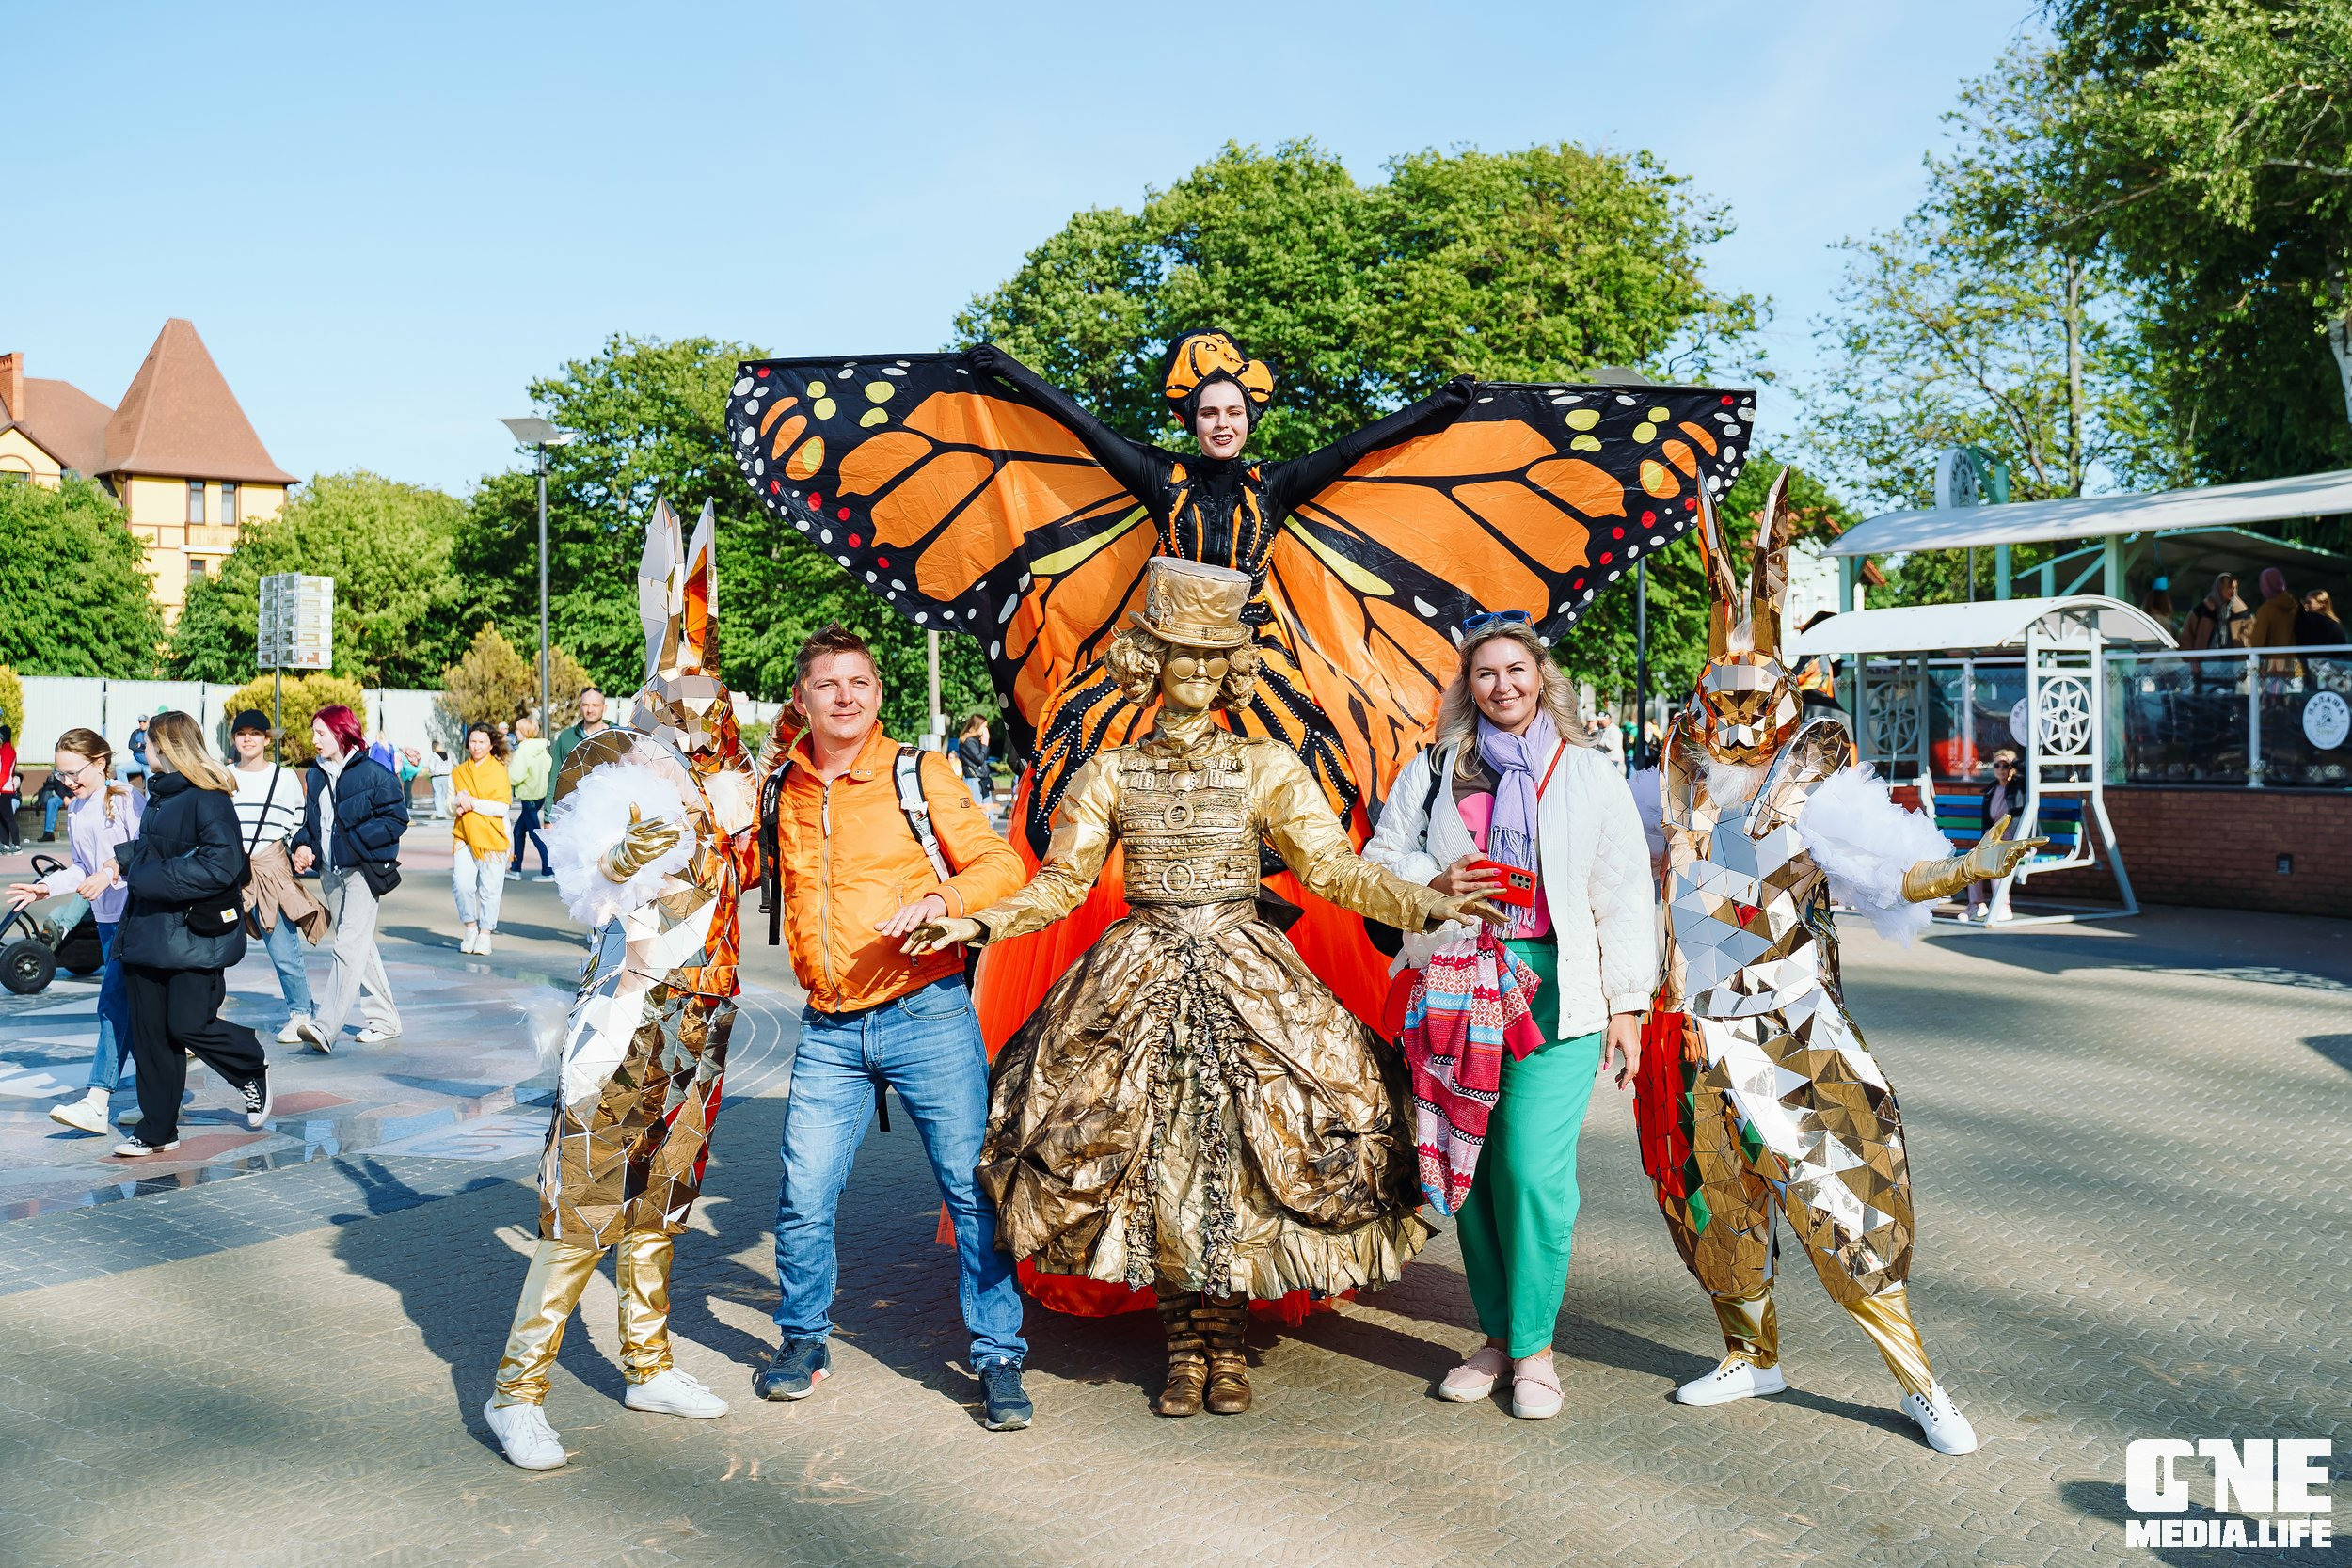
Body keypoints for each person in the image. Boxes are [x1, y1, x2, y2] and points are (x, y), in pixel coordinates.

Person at [908, 561, 1508, 1418]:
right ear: (1149, 662)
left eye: (1210, 656)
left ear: (1232, 668)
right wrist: (978, 924)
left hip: (1247, 973)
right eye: (1179, 655)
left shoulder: (1268, 765)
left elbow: (1333, 871)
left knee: (1244, 1152)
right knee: (1152, 1157)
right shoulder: (1111, 772)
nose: (1195, 671)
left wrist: (1428, 898)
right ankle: (1183, 1343)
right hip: (1137, 975)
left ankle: (1225, 1341)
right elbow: (1061, 883)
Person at [1631, 475, 2042, 1455]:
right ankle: (1748, 1351)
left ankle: (1917, 1381)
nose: (1731, 721)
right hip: (1694, 1029)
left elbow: (1886, 871)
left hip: (1796, 1029)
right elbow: (1603, 869)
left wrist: (1965, 867)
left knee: (1845, 1199)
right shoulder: (1664, 795)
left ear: (1782, 702)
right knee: (1712, 1200)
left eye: (1750, 701)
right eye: (1717, 702)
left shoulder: (1814, 794)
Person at [484, 499, 763, 1470]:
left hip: (709, 1009)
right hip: (634, 1006)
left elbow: (755, 874)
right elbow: (589, 881)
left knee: (664, 1198)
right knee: (584, 1204)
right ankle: (515, 1389)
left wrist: (733, 814)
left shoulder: (729, 763)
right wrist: (691, 821)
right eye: (682, 674)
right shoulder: (616, 757)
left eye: (709, 676)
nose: (698, 693)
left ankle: (648, 1363)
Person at [1362, 612, 1655, 1420]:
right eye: (1486, 673)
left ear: (1541, 677)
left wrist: (1630, 1005)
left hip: (1557, 990)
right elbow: (1378, 864)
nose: (1503, 685)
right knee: (1477, 1173)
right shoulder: (1431, 771)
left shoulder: (1590, 773)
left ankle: (1534, 1349)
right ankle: (1493, 1337)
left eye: (1516, 670)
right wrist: (1436, 880)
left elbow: (1626, 890)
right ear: (1468, 686)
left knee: (1532, 1173)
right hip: (1458, 987)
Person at [753, 621, 1034, 1430]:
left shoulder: (920, 770)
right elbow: (736, 866)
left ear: (878, 693)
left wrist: (945, 902)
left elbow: (1001, 862)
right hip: (829, 1028)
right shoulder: (783, 786)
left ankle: (997, 1356)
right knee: (804, 1191)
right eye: (828, 684)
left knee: (970, 1189)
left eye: (860, 682)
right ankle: (803, 1339)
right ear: (801, 699)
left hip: (928, 1013)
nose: (846, 696)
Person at [105, 712, 272, 1158]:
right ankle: (158, 1129)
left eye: (149, 743)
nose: (143, 750)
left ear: (169, 745)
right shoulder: (159, 794)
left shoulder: (208, 798)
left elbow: (221, 866)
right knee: (150, 1036)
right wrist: (119, 862)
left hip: (195, 936)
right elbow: (154, 846)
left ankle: (249, 1062)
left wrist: (146, 877)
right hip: (147, 932)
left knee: (187, 1024)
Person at [8, 729, 139, 1136]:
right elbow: (83, 866)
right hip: (104, 918)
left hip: (137, 916)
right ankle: (158, 1097)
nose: (68, 782)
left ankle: (97, 1100)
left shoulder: (127, 799)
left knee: (113, 1003)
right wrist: (46, 887)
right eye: (60, 774)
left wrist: (109, 875)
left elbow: (144, 854)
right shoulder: (79, 808)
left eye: (74, 773)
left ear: (100, 762)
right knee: (136, 1009)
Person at [289, 704, 406, 1051]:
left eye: (321, 733)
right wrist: (303, 846)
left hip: (362, 872)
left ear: (342, 732)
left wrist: (356, 843)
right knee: (359, 947)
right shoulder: (314, 774)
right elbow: (312, 824)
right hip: (329, 873)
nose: (314, 740)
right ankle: (385, 1019)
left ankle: (326, 1028)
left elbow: (396, 819)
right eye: (314, 732)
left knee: (346, 947)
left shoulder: (374, 773)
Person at [227, 711, 326, 1043]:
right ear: (234, 739)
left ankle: (301, 1013)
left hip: (272, 869)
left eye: (256, 733)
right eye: (242, 733)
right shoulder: (223, 776)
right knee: (212, 946)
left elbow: (298, 824)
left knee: (282, 945)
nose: (248, 739)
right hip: (232, 872)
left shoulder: (283, 779)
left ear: (268, 739)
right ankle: (201, 1014)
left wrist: (302, 849)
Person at [449, 723, 511, 954]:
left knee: (490, 888)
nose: (476, 746)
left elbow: (502, 807)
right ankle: (470, 926)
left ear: (491, 744)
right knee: (462, 884)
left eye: (481, 742)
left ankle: (485, 932)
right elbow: (446, 805)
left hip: (493, 838)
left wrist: (472, 802)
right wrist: (456, 803)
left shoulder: (498, 770)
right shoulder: (458, 772)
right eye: (473, 741)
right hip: (463, 834)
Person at [1966, 748, 2026, 924]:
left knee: (1995, 859)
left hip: (2013, 840)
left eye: (2005, 765)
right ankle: (1976, 905)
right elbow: (1987, 823)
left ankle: (2003, 906)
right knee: (1972, 859)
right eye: (1997, 765)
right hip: (1994, 840)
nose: (2001, 769)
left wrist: (2013, 762)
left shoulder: (2020, 787)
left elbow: (2037, 772)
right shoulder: (1991, 790)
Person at [544, 686, 612, 808]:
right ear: (580, 707)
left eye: (595, 705)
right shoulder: (566, 737)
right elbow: (555, 778)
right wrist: (548, 816)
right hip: (573, 813)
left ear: (604, 707)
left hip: (609, 812)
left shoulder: (616, 735)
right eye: (586, 705)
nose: (590, 710)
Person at [506, 716, 553, 882]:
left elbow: (515, 777)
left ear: (523, 732)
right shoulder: (541, 749)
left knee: (535, 834)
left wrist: (506, 771)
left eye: (518, 729)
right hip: (539, 796)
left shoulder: (522, 752)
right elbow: (549, 766)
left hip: (528, 798)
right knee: (518, 831)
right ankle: (515, 868)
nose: (516, 732)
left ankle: (548, 870)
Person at [2180, 573, 2251, 650]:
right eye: (2228, 587)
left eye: (2235, 588)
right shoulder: (2201, 611)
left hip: (2236, 660)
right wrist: (2193, 659)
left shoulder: (2242, 613)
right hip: (2207, 660)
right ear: (2219, 588)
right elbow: (2187, 638)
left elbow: (2251, 637)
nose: (2232, 591)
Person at [2249, 567, 2299, 648]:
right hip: (2294, 658)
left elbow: (2257, 642)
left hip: (2274, 658)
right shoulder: (2295, 606)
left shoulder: (2266, 610)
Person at [955, 713, 993, 804]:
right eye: (984, 727)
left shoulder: (975, 740)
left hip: (980, 779)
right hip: (974, 779)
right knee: (978, 810)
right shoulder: (968, 741)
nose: (986, 730)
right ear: (977, 726)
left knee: (987, 811)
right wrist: (985, 743)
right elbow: (980, 759)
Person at [36, 764, 72, 842]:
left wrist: (74, 796)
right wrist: (65, 797)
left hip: (77, 794)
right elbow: (58, 785)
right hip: (62, 795)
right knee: (52, 802)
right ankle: (48, 833)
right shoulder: (59, 767)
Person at [424, 741, 454, 819]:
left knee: (437, 795)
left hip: (437, 776)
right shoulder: (447, 755)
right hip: (446, 776)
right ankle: (446, 812)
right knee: (446, 795)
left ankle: (440, 813)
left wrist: (434, 772)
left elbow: (431, 766)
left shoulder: (434, 756)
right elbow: (451, 765)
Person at [0, 723, 19, 849]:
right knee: (2, 818)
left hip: (5, 789)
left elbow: (5, 772)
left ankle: (17, 845)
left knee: (8, 818)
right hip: (3, 788)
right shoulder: (5, 750)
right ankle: (5, 844)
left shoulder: (7, 751)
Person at [121, 716, 150, 784]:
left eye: (144, 722)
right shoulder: (136, 732)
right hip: (137, 763)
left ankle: (149, 796)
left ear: (148, 722)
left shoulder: (151, 732)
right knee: (119, 769)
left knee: (150, 781)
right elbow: (131, 746)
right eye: (140, 722)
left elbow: (152, 747)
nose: (142, 724)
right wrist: (144, 747)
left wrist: (141, 745)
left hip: (149, 765)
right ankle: (125, 792)